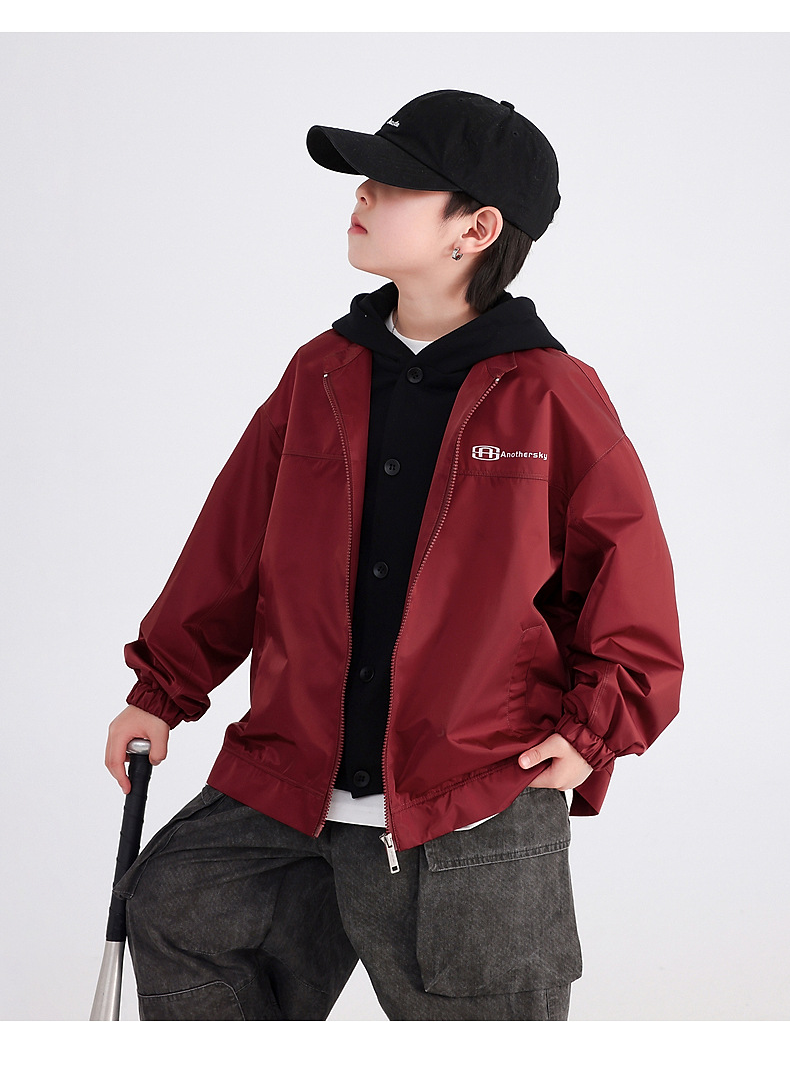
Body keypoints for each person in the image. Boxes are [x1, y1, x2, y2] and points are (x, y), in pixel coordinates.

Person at [104, 89, 683, 1021]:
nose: (362, 194)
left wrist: (592, 732)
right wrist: (161, 689)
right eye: (365, 177)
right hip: (291, 782)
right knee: (176, 903)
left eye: (396, 183)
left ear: (477, 228)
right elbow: (230, 545)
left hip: (473, 797)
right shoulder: (321, 372)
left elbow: (630, 584)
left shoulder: (552, 395)